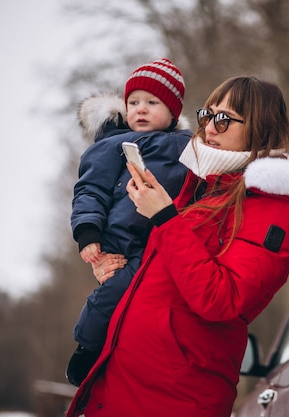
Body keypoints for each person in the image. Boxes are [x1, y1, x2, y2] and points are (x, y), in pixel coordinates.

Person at [65, 76, 289, 417]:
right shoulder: (203, 184)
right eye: (206, 116)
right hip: (127, 381)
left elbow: (222, 298)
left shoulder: (276, 206)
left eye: (224, 119)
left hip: (175, 395)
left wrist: (165, 217)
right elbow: (162, 265)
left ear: (259, 127)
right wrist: (107, 257)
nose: (210, 128)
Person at [66, 58, 192, 386]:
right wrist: (88, 231)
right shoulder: (110, 145)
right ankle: (88, 349)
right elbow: (90, 189)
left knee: (152, 306)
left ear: (173, 112)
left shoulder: (187, 145)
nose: (141, 109)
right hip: (122, 243)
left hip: (162, 239)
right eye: (134, 102)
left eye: (152, 103)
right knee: (114, 293)